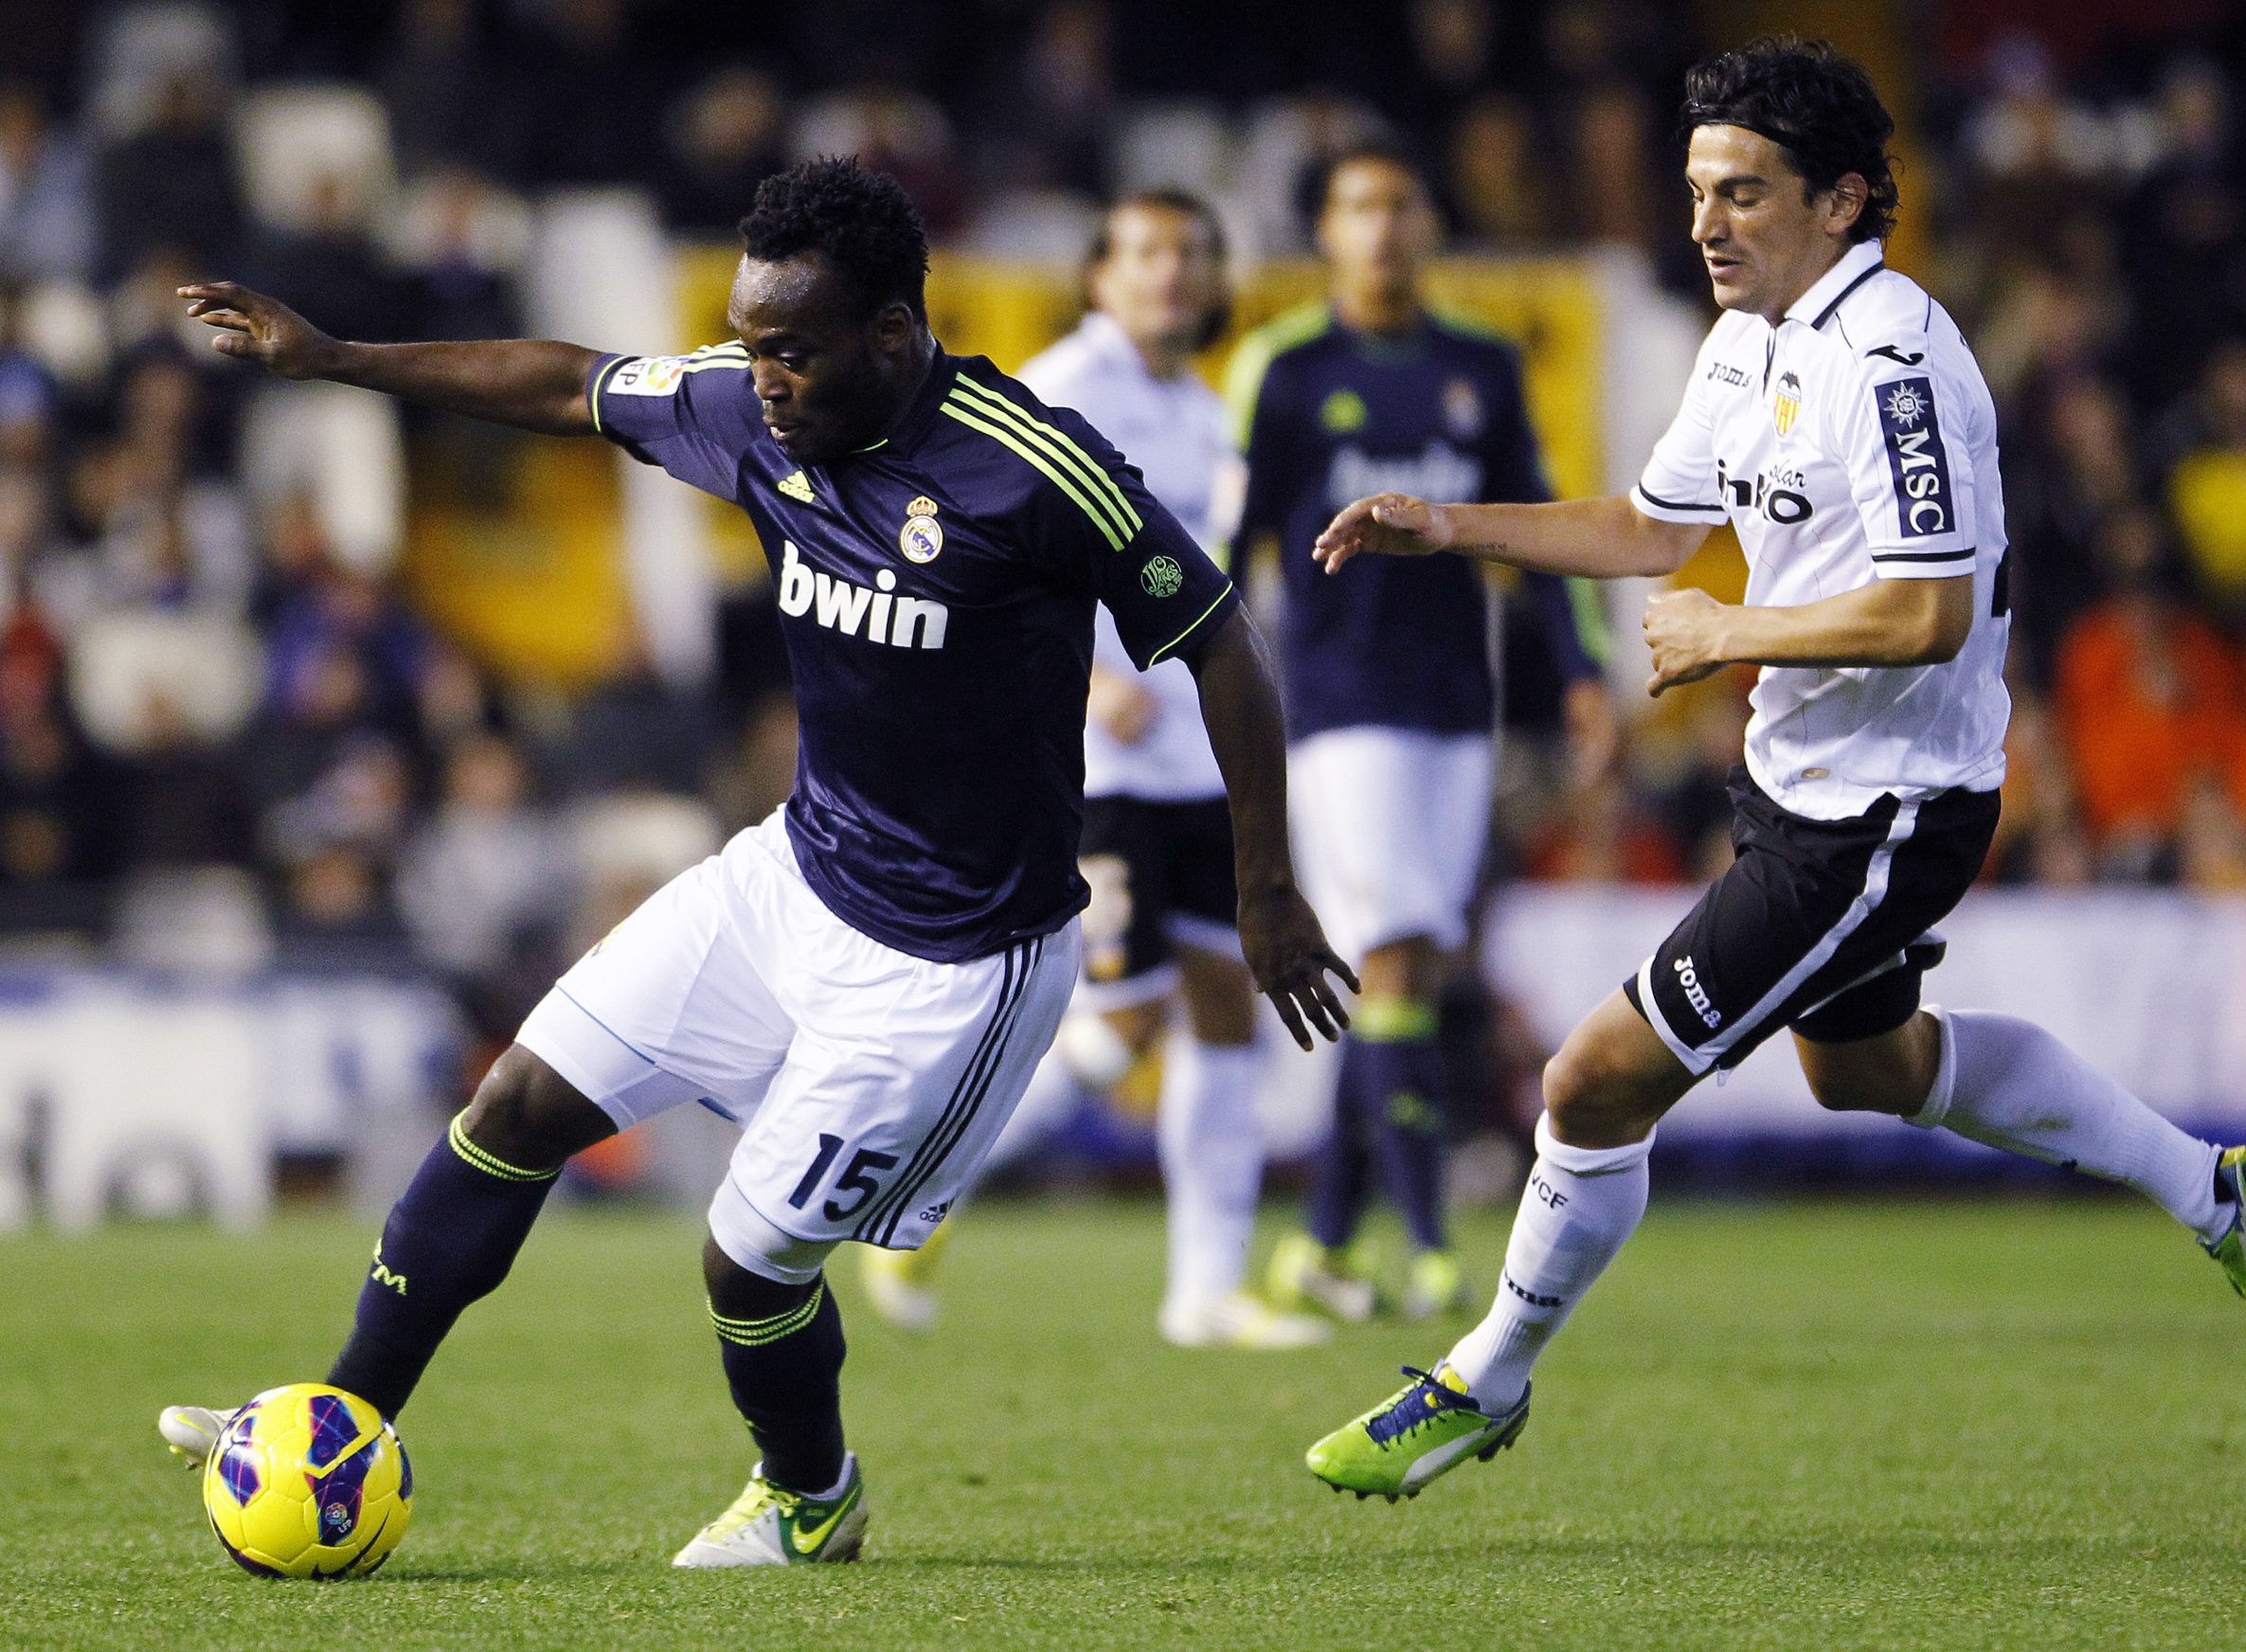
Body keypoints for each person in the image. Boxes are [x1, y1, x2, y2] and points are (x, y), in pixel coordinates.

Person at [154, 157, 1354, 1564]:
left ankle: (812, 1495)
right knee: (518, 1102)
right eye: (749, 342)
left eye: (789, 349)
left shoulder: (1031, 467)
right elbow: (567, 383)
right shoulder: (748, 408)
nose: (758, 374)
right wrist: (336, 356)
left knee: (746, 1257)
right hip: (794, 876)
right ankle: (333, 1429)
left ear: (894, 338)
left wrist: (1263, 886)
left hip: (957, 963)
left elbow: (1221, 640)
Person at [1298, 39, 2246, 1502]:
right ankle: (2221, 1192)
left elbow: (1931, 608)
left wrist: (1735, 629)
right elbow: (1652, 527)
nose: (1709, 223)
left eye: (1746, 193)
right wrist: (1450, 528)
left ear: (1843, 201)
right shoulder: (1748, 343)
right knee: (1869, 1069)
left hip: (1889, 811)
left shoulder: (1895, 358)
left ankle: (1482, 1380)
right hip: (1804, 781)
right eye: (1699, 191)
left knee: (1591, 1081)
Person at [858, 189, 1326, 1351]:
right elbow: (983, 554)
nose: (1172, 273)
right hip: (1091, 759)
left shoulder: (1213, 411)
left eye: (1194, 254)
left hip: (1199, 761)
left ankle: (1204, 1290)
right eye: (1149, 251)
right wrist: (1088, 678)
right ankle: (913, 1195)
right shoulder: (1058, 389)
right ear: (1100, 274)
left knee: (1224, 1003)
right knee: (1123, 1015)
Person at [1231, 139, 1608, 1323]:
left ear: (1432, 225)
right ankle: (1440, 1248)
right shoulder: (1282, 368)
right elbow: (1223, 542)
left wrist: (1583, 669)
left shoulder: (1481, 368)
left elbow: (1533, 527)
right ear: (1327, 234)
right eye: (1358, 208)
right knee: (1393, 955)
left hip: (1458, 701)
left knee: (1409, 966)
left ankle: (1324, 1246)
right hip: (1339, 703)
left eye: (1401, 204)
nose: (1383, 227)